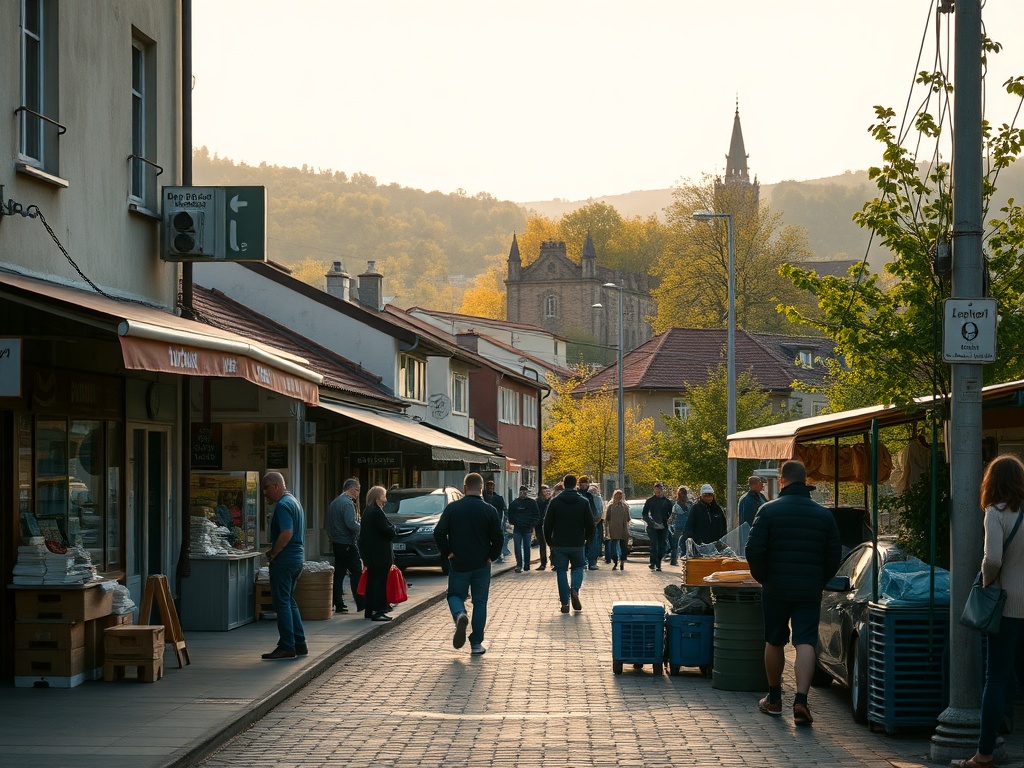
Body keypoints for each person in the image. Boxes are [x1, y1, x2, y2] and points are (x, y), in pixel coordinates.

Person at [745, 460, 841, 727]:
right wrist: (820, 579)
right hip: (809, 589)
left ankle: (774, 700)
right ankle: (801, 701)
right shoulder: (823, 515)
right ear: (805, 480)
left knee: (774, 640)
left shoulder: (768, 511)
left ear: (782, 480)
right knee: (805, 642)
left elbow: (753, 549)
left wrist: (763, 577)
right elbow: (834, 555)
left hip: (775, 587)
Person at [954, 454, 1024, 768]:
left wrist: (986, 581)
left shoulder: (995, 513)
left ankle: (983, 755)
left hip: (1007, 607)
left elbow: (993, 559)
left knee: (995, 679)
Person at [433, 472, 504, 655]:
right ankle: (476, 644)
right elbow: (498, 538)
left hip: (459, 562)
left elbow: (439, 533)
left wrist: (449, 553)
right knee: (480, 602)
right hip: (481, 563)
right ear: (481, 488)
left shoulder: (453, 508)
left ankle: (460, 614)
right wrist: (491, 557)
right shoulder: (490, 510)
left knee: (455, 595)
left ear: (465, 488)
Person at [261, 472, 307, 659]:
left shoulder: (282, 505)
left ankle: (287, 645)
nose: (265, 493)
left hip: (285, 559)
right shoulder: (294, 501)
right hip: (297, 558)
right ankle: (299, 642)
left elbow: (287, 533)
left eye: (266, 488)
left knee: (281, 602)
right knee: (289, 600)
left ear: (275, 486)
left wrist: (274, 553)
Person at [543, 474, 594, 613]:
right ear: (576, 484)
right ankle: (575, 590)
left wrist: (550, 542)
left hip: (559, 543)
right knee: (578, 567)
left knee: (561, 571)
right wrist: (585, 538)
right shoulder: (583, 502)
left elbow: (547, 525)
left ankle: (565, 603)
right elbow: (591, 525)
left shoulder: (554, 502)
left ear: (564, 484)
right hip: (577, 542)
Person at [358, 485, 396, 622]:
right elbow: (388, 530)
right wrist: (393, 529)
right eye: (384, 495)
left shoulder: (367, 511)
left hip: (370, 554)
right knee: (380, 581)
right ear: (378, 497)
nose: (385, 498)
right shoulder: (377, 512)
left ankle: (369, 610)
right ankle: (378, 610)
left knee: (372, 581)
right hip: (380, 554)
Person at [326, 477, 363, 614]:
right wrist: (361, 527)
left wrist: (334, 538)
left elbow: (328, 526)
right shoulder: (347, 503)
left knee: (339, 573)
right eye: (358, 490)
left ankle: (337, 603)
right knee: (356, 572)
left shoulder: (335, 502)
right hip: (347, 543)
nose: (358, 494)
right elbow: (351, 524)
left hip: (337, 543)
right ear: (352, 489)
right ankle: (361, 602)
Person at [507, 485, 541, 572]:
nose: (524, 493)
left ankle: (526, 565)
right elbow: (510, 516)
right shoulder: (515, 503)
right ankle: (520, 564)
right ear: (520, 492)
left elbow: (537, 515)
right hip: (519, 528)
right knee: (518, 548)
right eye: (522, 491)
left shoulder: (531, 503)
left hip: (526, 529)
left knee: (526, 547)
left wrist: (532, 524)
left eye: (525, 491)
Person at [642, 482, 673, 571]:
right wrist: (650, 522)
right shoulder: (650, 501)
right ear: (654, 490)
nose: (658, 491)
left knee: (662, 545)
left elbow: (671, 514)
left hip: (664, 526)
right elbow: (644, 514)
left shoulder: (667, 502)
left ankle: (658, 561)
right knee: (654, 545)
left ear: (663, 490)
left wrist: (669, 520)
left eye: (660, 489)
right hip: (652, 527)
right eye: (657, 489)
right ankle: (653, 563)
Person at [579, 475, 604, 570]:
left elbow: (599, 508)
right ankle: (588, 562)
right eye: (582, 484)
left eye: (585, 484)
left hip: (591, 522)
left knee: (592, 543)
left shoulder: (592, 495)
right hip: (588, 522)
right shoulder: (583, 495)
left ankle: (590, 562)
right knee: (589, 543)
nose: (583, 486)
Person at [603, 490, 631, 570]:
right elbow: (628, 518)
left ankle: (615, 562)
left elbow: (607, 518)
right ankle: (622, 560)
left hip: (613, 528)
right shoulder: (625, 506)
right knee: (623, 546)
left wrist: (606, 530)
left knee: (614, 545)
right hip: (623, 528)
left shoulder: (611, 506)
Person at [484, 479, 509, 562]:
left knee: (499, 538)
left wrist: (505, 521)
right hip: (486, 521)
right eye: (488, 486)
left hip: (497, 521)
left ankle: (500, 554)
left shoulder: (498, 498)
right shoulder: (484, 498)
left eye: (491, 486)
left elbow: (504, 510)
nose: (490, 488)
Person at [668, 486, 692, 567]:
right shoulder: (690, 504)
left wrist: (670, 523)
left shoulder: (676, 505)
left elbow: (673, 517)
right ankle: (684, 558)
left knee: (675, 544)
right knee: (685, 544)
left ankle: (673, 560)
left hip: (678, 527)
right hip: (687, 527)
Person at [535, 484, 552, 570]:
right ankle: (543, 563)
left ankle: (553, 562)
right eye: (544, 492)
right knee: (542, 545)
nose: (546, 493)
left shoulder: (552, 501)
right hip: (539, 525)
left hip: (549, 525)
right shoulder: (537, 502)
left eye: (548, 491)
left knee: (552, 544)